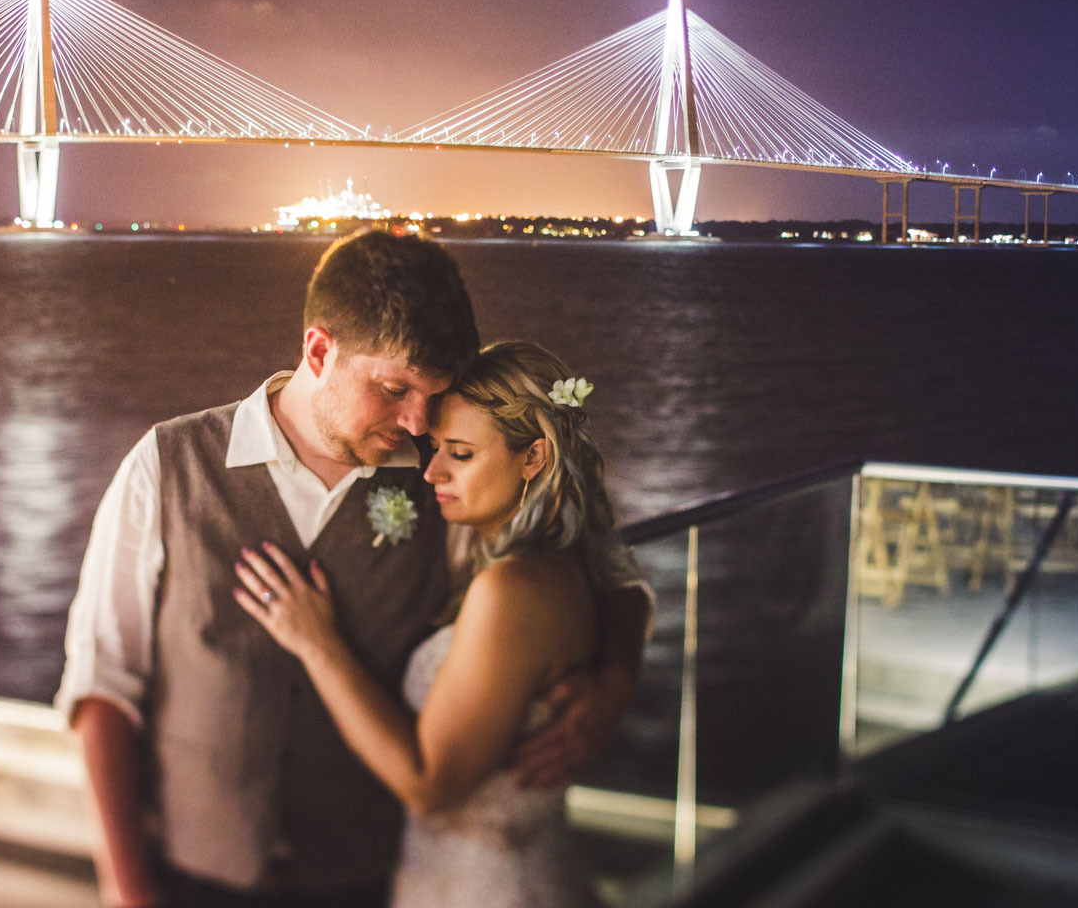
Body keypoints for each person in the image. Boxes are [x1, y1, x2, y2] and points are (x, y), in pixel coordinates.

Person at [57, 231, 647, 907]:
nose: (416, 419)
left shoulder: (448, 479)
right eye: (394, 388)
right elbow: (102, 685)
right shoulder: (166, 465)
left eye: (434, 394)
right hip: (188, 880)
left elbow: (598, 570)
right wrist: (126, 888)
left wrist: (615, 678)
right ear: (319, 350)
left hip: (369, 884)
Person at [236, 341, 635, 908]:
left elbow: (430, 788)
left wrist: (319, 644)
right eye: (437, 447)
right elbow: (627, 592)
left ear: (534, 458)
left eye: (461, 453)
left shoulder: (512, 590)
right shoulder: (557, 562)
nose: (431, 471)